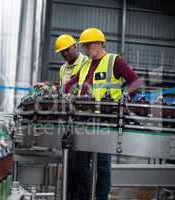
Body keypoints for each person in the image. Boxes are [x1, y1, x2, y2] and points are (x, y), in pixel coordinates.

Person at [64, 27, 141, 200]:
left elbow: (136, 82)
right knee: (80, 164)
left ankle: (101, 197)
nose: (84, 50)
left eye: (87, 46)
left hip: (105, 122)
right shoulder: (85, 65)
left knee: (102, 166)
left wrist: (124, 99)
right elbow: (70, 84)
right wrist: (51, 88)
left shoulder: (114, 61)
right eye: (83, 46)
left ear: (99, 43)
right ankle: (83, 196)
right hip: (84, 121)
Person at [34, 34, 90, 200]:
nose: (65, 54)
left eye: (66, 50)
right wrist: (48, 87)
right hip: (67, 119)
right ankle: (69, 195)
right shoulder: (62, 69)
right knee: (69, 163)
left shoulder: (86, 63)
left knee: (82, 164)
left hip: (84, 118)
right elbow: (64, 88)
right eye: (61, 52)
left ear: (75, 46)